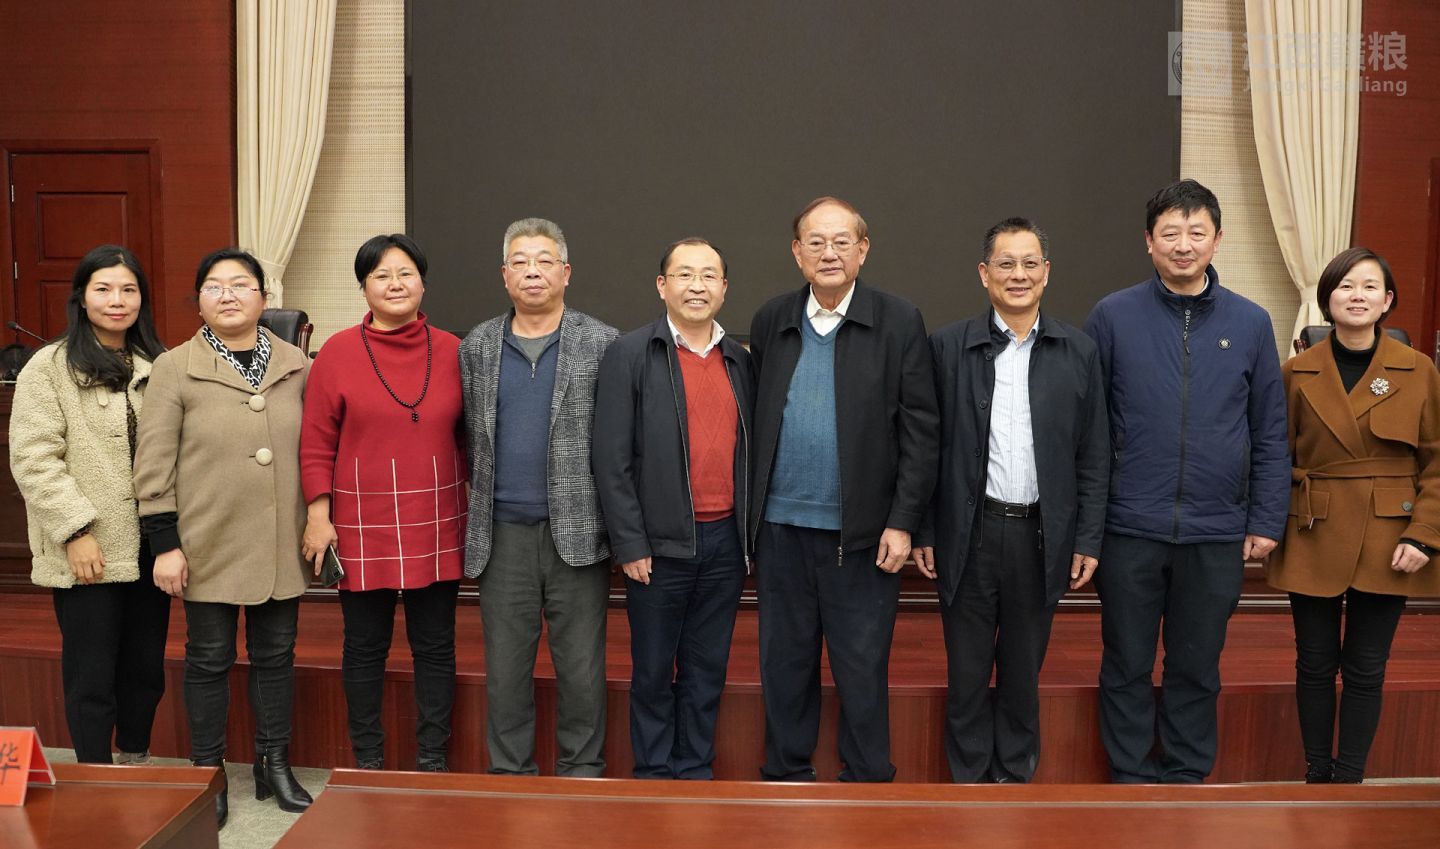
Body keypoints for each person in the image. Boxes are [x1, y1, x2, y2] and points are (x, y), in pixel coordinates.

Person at [1083, 179, 1289, 783]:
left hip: (1216, 529)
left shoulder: (1251, 322)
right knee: (1126, 660)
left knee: (1197, 665)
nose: (1183, 245)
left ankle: (1186, 775)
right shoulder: (1112, 315)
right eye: (1170, 232)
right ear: (1149, 241)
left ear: (1217, 240)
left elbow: (1270, 430)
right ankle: (1128, 774)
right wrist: (1091, 524)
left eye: (1197, 232)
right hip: (1129, 525)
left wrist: (1265, 518)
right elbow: (1089, 429)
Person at [749, 196, 939, 782]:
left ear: (863, 249)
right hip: (780, 530)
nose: (828, 253)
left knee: (861, 668)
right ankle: (785, 774)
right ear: (797, 252)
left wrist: (903, 521)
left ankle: (868, 779)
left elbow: (922, 432)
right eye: (816, 242)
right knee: (785, 664)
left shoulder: (898, 320)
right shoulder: (772, 319)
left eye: (841, 241)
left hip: (862, 536)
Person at [915, 218, 1108, 783]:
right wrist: (924, 529)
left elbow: (1095, 454)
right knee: (967, 674)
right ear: (984, 273)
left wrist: (1088, 538)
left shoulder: (1078, 351)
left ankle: (1015, 781)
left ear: (1046, 272)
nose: (1017, 275)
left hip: (1040, 536)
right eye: (1005, 263)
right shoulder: (947, 347)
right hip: (968, 535)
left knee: (1023, 673)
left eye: (1029, 263)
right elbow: (923, 448)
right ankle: (969, 783)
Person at [134, 248, 312, 826]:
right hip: (204, 540)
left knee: (276, 656)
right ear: (199, 301)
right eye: (214, 286)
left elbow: (315, 448)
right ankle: (207, 773)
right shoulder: (174, 367)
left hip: (280, 539)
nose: (228, 295)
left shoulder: (296, 363)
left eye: (241, 284)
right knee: (209, 659)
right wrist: (164, 543)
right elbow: (153, 463)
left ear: (264, 296)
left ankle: (273, 763)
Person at [1266, 247, 1440, 784]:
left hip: (1391, 534)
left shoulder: (1418, 370)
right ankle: (1317, 772)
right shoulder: (1296, 372)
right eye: (1345, 286)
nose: (1357, 296)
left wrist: (1425, 534)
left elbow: (1436, 460)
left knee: (1366, 666)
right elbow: (1273, 457)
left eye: (1369, 287)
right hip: (1312, 526)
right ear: (1328, 300)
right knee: (1314, 662)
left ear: (1387, 301)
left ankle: (1350, 779)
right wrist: (1265, 526)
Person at [300, 234, 466, 772]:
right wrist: (319, 516)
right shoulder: (337, 353)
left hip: (436, 516)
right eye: (381, 275)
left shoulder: (454, 350)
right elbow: (316, 443)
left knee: (435, 646)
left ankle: (432, 758)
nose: (395, 284)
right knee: (364, 646)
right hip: (360, 520)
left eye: (405, 273)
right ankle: (367, 759)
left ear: (423, 282)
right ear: (364, 287)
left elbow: (472, 439)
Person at [459, 217, 618, 776]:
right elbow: (466, 437)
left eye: (545, 261)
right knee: (505, 674)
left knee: (582, 671)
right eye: (520, 262)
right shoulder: (477, 346)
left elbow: (618, 443)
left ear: (566, 272)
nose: (533, 271)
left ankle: (583, 774)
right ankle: (509, 777)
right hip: (501, 536)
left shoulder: (603, 343)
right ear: (504, 275)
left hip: (578, 534)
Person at [593, 237, 755, 779]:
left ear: (724, 288)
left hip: (725, 544)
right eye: (684, 275)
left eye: (708, 276)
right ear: (662, 286)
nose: (697, 286)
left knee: (707, 670)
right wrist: (629, 543)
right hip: (657, 547)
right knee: (654, 672)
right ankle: (654, 775)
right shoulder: (630, 353)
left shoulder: (740, 360)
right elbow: (610, 458)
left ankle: (694, 770)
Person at [9, 244, 170, 765]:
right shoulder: (49, 367)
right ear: (81, 298)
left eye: (128, 289)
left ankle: (135, 760)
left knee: (145, 668)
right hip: (90, 547)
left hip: (151, 543)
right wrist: (75, 531)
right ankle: (95, 776)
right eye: (103, 289)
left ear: (142, 299)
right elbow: (33, 458)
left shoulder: (160, 365)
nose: (117, 300)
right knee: (92, 672)